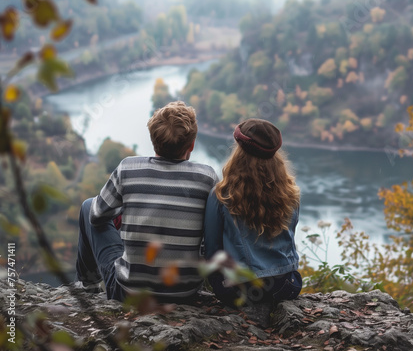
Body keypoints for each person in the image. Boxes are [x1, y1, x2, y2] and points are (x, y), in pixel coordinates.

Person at [75, 101, 218, 302]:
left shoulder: (128, 168)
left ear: (153, 140)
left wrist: (128, 211)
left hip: (128, 293)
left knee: (88, 206)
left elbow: (97, 215)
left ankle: (87, 285)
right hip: (185, 294)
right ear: (192, 145)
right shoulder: (207, 177)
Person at [203, 118, 302, 307]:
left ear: (238, 150)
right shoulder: (291, 193)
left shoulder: (221, 195)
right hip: (286, 286)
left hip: (238, 290)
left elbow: (212, 251)